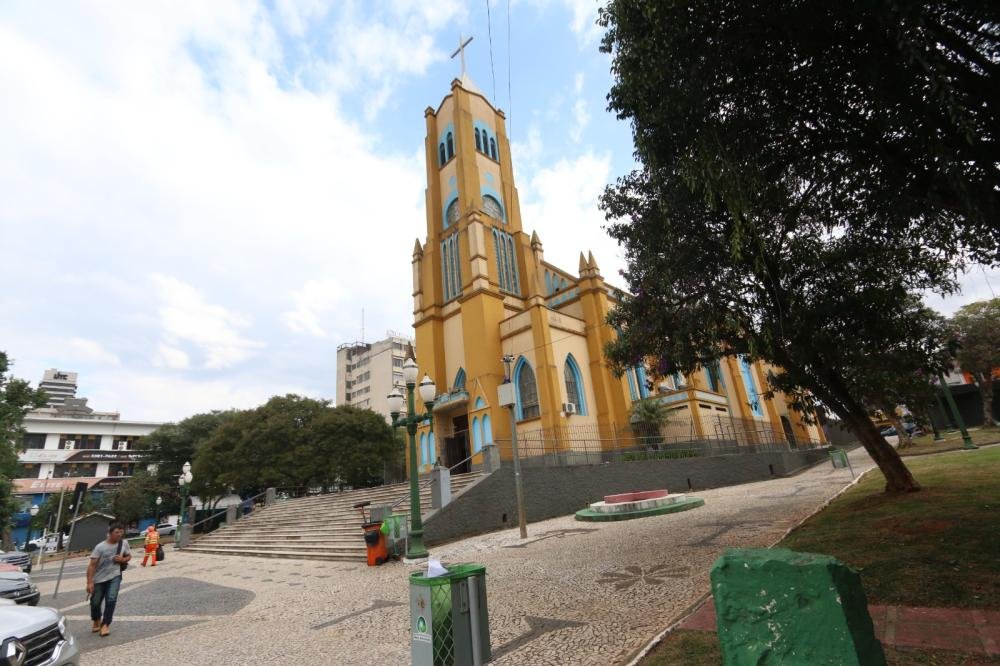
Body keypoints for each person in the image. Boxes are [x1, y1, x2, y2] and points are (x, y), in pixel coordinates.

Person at [86, 522, 131, 637]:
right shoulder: (100, 547)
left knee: (111, 599)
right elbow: (92, 565)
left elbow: (128, 556)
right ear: (110, 533)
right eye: (117, 532)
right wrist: (89, 582)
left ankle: (105, 624)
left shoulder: (124, 543)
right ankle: (96, 619)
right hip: (99, 578)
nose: (119, 535)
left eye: (121, 532)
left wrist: (122, 559)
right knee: (95, 603)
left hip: (115, 576)